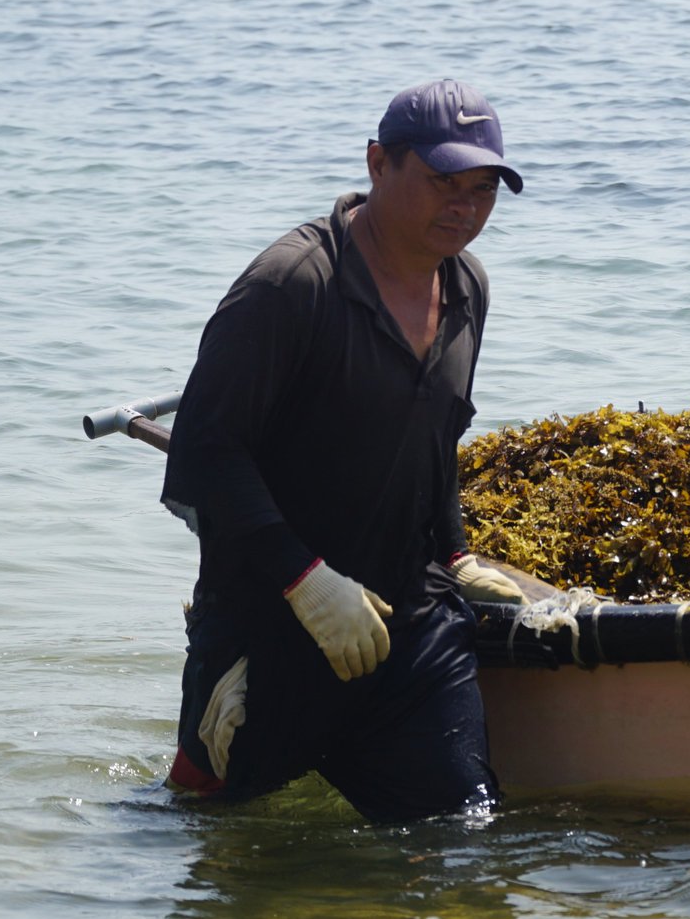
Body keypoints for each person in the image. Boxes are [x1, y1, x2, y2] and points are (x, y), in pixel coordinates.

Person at [159, 78, 529, 822]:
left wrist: (456, 555)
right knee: (215, 857)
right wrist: (305, 580)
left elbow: (436, 436)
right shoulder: (291, 284)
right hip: (272, 627)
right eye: (441, 182)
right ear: (376, 165)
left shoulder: (466, 289)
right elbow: (203, 454)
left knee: (462, 848)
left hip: (412, 630)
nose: (464, 207)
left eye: (484, 189)